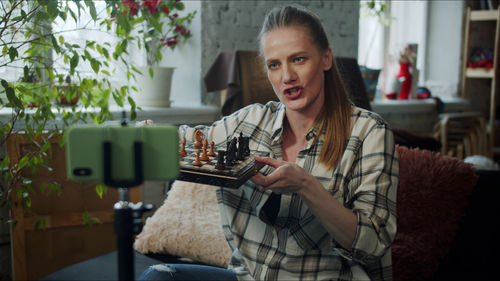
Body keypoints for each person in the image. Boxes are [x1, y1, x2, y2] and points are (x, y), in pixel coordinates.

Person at [139, 4, 398, 281]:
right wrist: (139, 134)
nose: (287, 76)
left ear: (326, 58)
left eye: (298, 59)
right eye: (274, 64)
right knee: (158, 277)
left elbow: (373, 245)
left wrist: (306, 186)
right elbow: (183, 139)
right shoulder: (249, 122)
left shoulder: (370, 132)